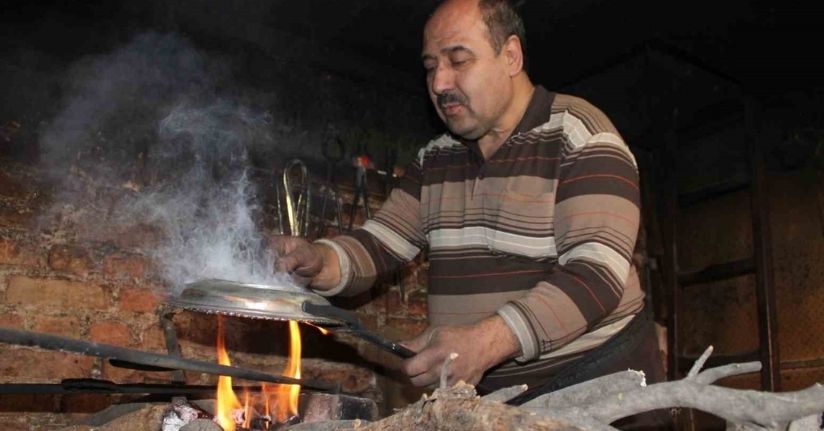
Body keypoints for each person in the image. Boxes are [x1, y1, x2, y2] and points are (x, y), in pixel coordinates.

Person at [274, 0, 665, 407]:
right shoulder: (435, 160)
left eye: (458, 60)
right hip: (494, 401)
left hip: (599, 390)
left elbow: (595, 274)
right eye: (429, 67)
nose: (440, 83)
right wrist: (318, 259)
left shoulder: (581, 135)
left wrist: (486, 342)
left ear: (510, 56)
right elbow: (378, 245)